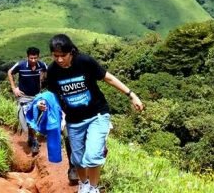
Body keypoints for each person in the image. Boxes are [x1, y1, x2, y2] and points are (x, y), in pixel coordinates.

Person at [41, 34, 144, 193]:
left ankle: (93, 188)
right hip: (74, 120)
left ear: (71, 52)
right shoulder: (53, 71)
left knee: (93, 155)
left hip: (97, 114)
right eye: (56, 56)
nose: (59, 59)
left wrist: (131, 95)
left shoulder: (84, 62)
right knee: (78, 160)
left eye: (63, 56)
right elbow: (53, 96)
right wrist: (44, 105)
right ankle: (84, 184)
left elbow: (108, 78)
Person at [7, 47, 47, 154]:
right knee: (29, 117)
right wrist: (14, 88)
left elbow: (48, 71)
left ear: (38, 57)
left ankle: (31, 137)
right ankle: (34, 142)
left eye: (35, 58)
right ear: (27, 57)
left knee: (35, 116)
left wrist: (43, 79)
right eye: (31, 58)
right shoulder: (21, 65)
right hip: (24, 97)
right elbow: (10, 72)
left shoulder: (41, 65)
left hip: (37, 96)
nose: (33, 60)